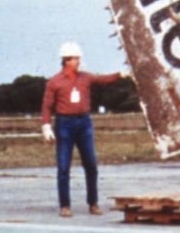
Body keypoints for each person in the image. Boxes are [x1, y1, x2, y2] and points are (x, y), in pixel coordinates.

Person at [40, 42, 128, 217]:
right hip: (64, 124)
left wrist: (120, 75)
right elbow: (47, 106)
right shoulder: (54, 82)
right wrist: (46, 125)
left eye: (79, 58)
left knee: (91, 165)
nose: (79, 61)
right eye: (76, 58)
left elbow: (103, 79)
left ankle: (93, 203)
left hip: (84, 123)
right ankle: (65, 205)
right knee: (64, 166)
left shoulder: (85, 78)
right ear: (67, 60)